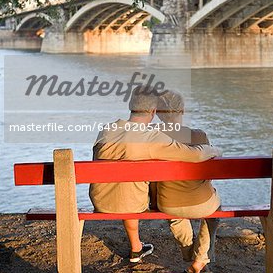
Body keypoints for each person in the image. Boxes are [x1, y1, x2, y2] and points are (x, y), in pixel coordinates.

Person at [89, 85, 220, 263]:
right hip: (132, 204)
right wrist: (214, 150)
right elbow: (195, 155)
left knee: (126, 184)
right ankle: (197, 257)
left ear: (130, 106)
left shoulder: (107, 129)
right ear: (152, 111)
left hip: (100, 200)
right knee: (132, 189)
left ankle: (136, 248)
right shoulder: (151, 137)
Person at [156, 90, 221, 273]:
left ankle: (193, 259)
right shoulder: (199, 136)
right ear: (182, 110)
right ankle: (200, 260)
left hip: (167, 203)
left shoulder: (153, 139)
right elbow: (209, 173)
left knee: (176, 217)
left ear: (159, 114)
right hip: (201, 203)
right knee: (214, 214)